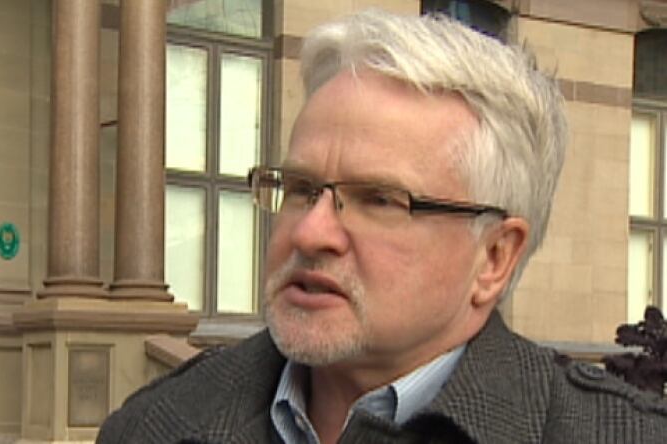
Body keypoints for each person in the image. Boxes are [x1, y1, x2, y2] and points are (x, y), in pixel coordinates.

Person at [97, 9, 667, 444]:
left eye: (378, 200)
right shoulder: (154, 426)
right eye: (300, 189)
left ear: (493, 257)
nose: (310, 233)